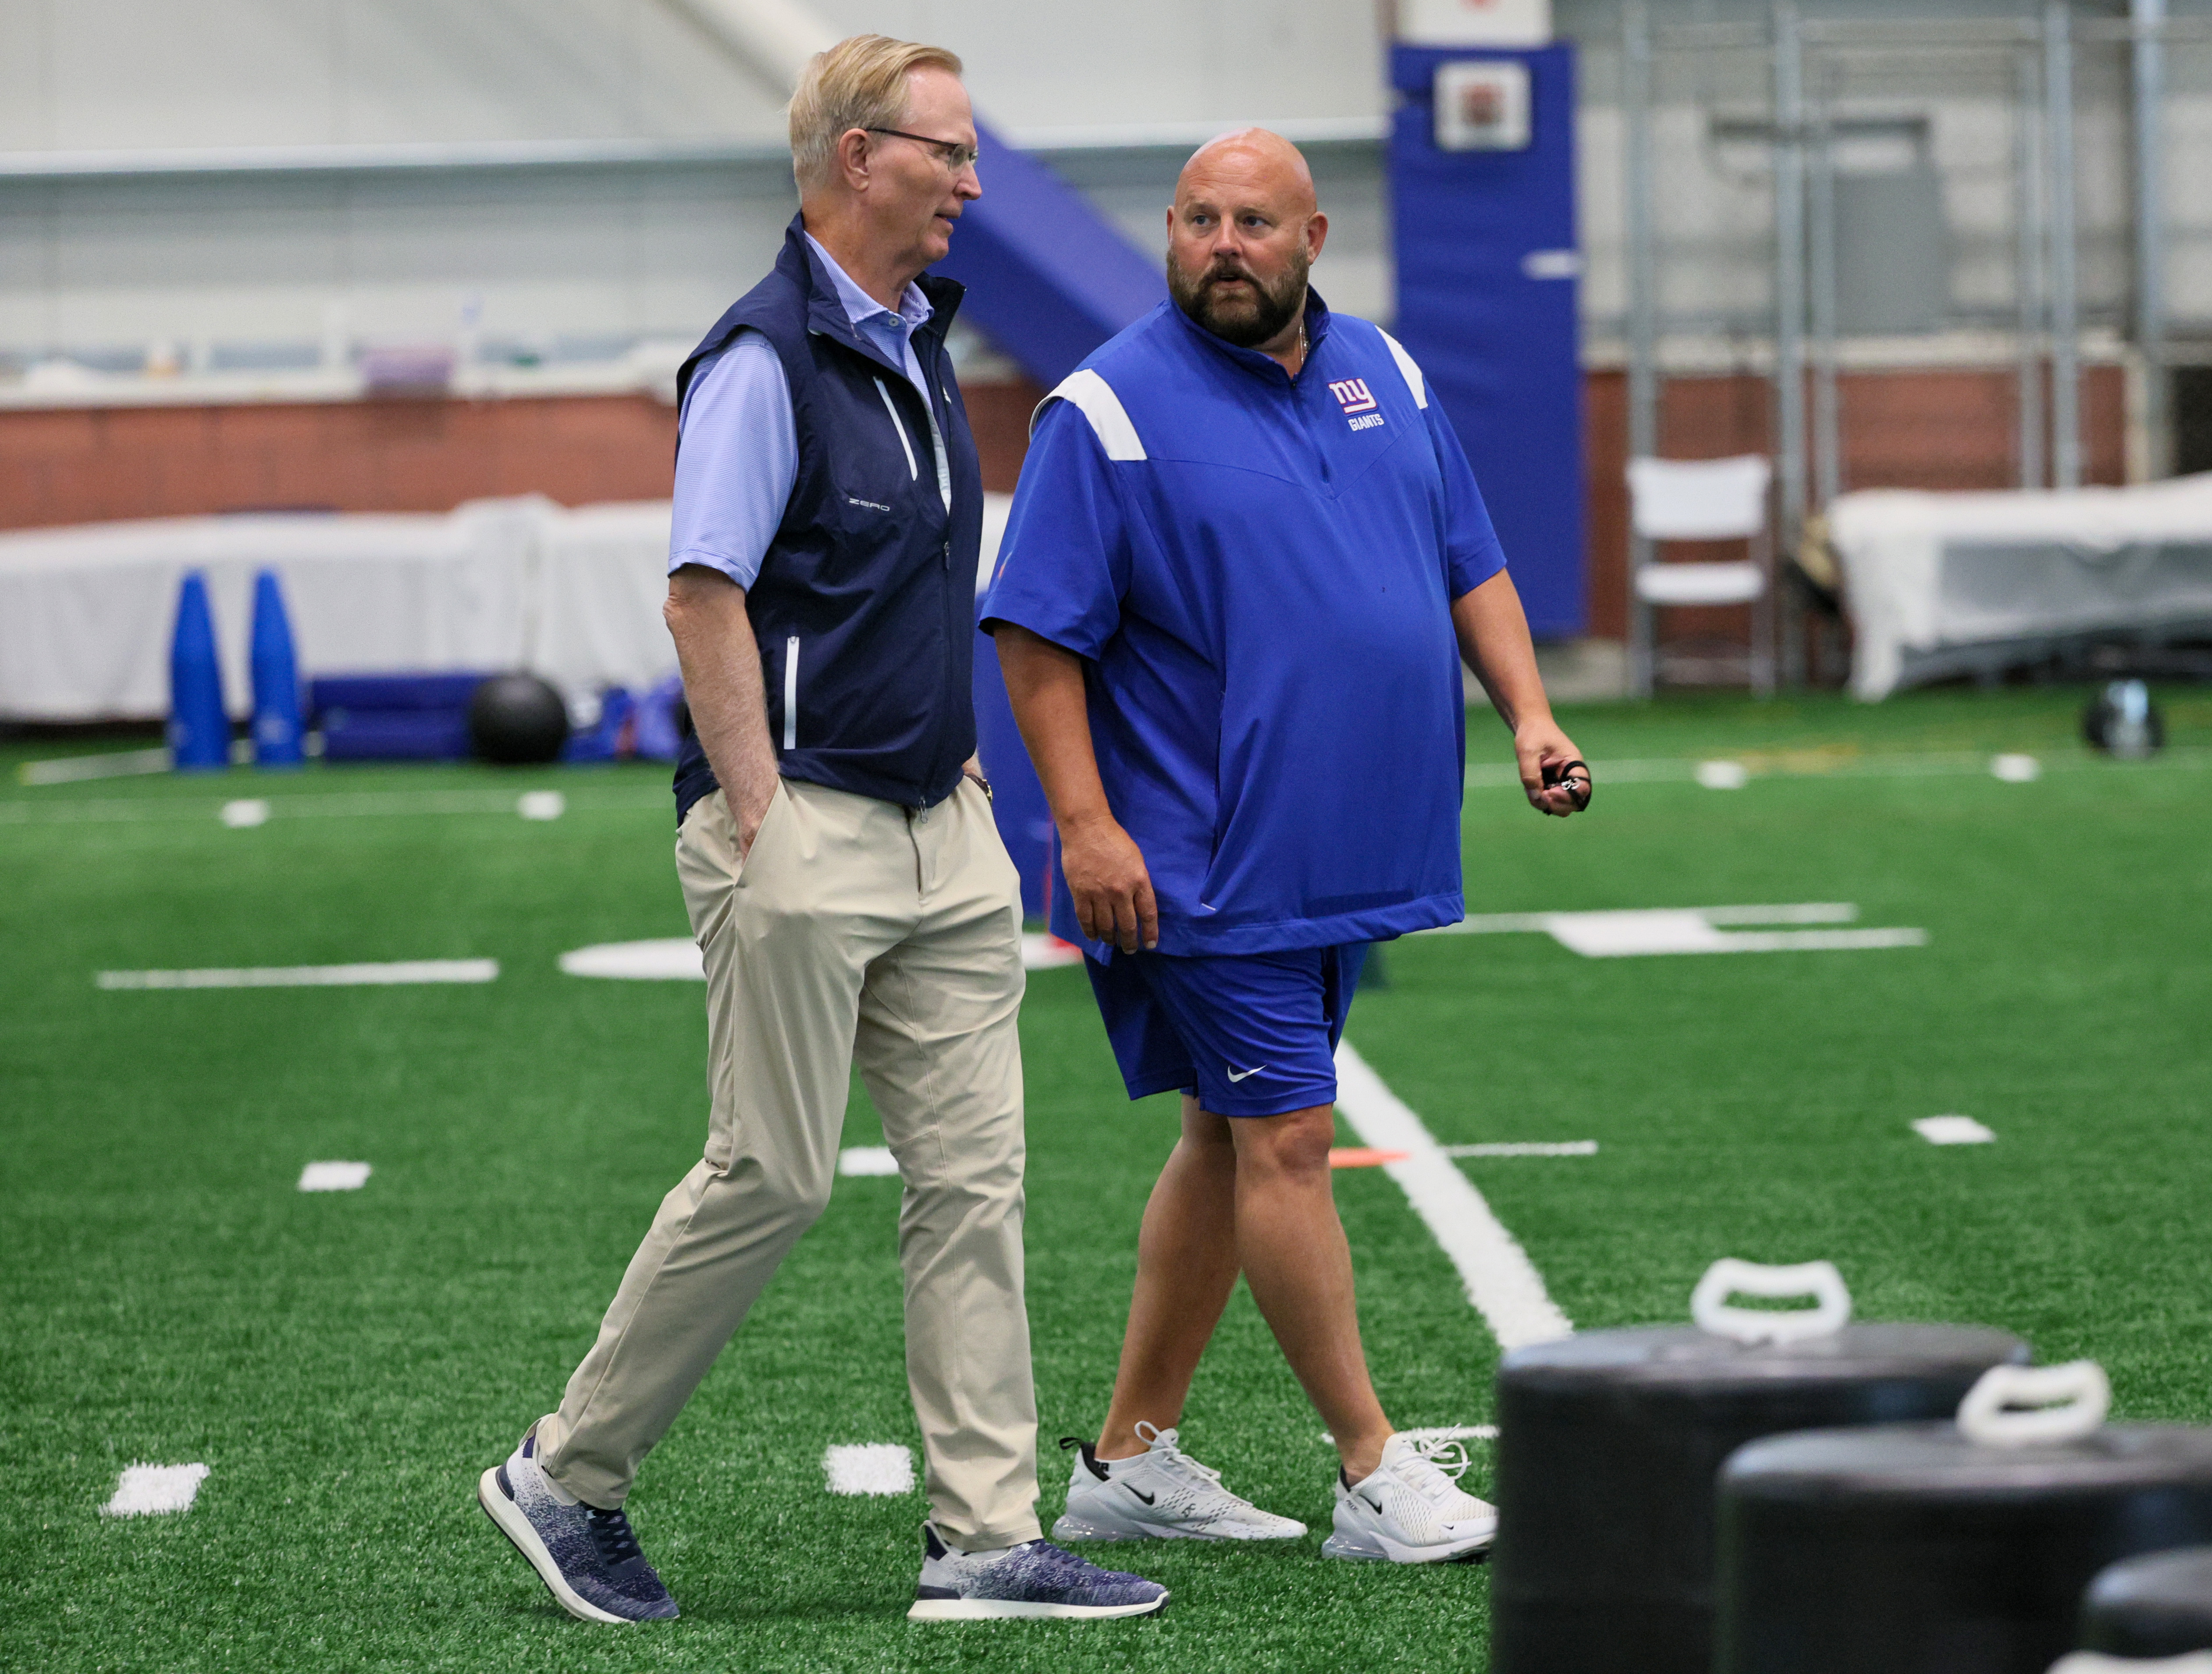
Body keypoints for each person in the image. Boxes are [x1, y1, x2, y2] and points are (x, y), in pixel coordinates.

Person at [476, 35, 1165, 1624]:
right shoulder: (759, 359)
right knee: (772, 1175)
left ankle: (985, 1539)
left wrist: (962, 775)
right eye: (951, 154)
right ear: (859, 158)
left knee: (974, 1184)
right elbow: (702, 594)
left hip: (943, 828)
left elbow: (910, 592)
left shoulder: (924, 340)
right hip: (801, 830)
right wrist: (764, 813)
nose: (975, 184)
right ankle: (565, 1472)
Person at [983, 129, 1590, 1565]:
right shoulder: (1106, 408)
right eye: (1199, 220)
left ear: (1313, 235)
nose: (1224, 245)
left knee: (1221, 1130)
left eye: (1255, 220)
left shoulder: (1390, 370)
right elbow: (1034, 632)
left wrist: (1531, 718)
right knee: (1287, 1138)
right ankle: (1373, 1470)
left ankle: (1129, 1456)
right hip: (1206, 855)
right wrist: (1085, 825)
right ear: (1171, 234)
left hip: (1343, 851)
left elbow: (1470, 557)